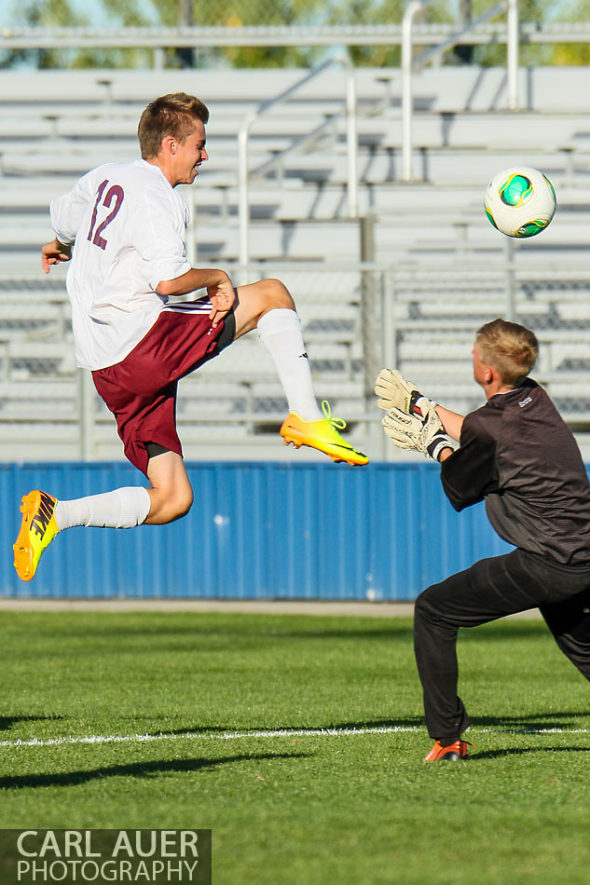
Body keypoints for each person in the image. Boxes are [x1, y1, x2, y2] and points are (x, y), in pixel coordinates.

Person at [13, 92, 368, 583]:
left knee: (174, 497)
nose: (206, 155)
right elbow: (168, 282)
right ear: (172, 144)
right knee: (271, 293)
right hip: (142, 344)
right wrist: (218, 276)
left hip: (104, 368)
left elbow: (65, 221)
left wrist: (64, 245)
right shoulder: (160, 197)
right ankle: (307, 419)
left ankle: (55, 514)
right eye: (200, 144)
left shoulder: (104, 176)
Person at [375, 318, 590, 762]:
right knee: (583, 647)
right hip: (581, 555)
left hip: (547, 561)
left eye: (476, 354)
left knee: (433, 611)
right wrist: (421, 405)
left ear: (486, 372)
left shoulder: (493, 427)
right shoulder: (535, 395)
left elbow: (461, 483)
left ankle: (448, 738)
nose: (473, 358)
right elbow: (482, 428)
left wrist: (434, 444)